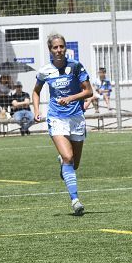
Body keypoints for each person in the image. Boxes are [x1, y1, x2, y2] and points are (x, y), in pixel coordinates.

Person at [32, 33, 92, 216]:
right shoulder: (45, 71)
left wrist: (71, 98)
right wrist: (36, 110)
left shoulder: (76, 66)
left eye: (61, 47)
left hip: (76, 118)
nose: (58, 50)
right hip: (56, 118)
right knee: (68, 157)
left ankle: (64, 164)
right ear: (50, 50)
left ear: (65, 48)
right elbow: (36, 92)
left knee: (75, 164)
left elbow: (89, 91)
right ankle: (75, 200)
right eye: (55, 47)